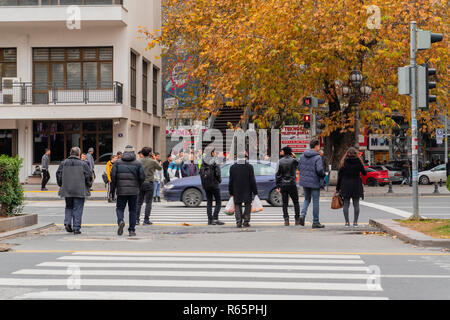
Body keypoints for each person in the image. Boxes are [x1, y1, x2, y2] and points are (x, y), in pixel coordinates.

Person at [56, 147, 93, 235]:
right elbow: (89, 176)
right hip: (80, 189)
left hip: (67, 189)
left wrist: (61, 184)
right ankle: (76, 228)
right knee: (78, 208)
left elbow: (58, 175)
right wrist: (89, 185)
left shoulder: (63, 163)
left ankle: (68, 223)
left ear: (70, 153)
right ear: (79, 154)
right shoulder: (83, 164)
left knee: (69, 206)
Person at [110, 145, 145, 237]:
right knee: (133, 210)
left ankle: (120, 221)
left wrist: (115, 188)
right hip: (134, 190)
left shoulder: (117, 162)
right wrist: (138, 186)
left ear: (124, 152)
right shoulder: (138, 163)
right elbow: (142, 177)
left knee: (120, 208)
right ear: (133, 152)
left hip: (121, 190)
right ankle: (132, 230)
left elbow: (113, 177)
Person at [298, 139, 326, 228]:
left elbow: (299, 167)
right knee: (315, 201)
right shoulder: (317, 157)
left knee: (306, 199)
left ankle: (302, 214)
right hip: (314, 182)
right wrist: (323, 174)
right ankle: (316, 222)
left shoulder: (302, 156)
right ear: (316, 146)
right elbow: (319, 170)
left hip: (305, 182)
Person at [336, 147, 367, 227]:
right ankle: (355, 222)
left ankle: (347, 222)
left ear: (347, 153)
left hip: (345, 185)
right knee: (356, 204)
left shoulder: (343, 162)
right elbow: (364, 173)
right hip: (356, 184)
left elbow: (339, 177)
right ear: (356, 154)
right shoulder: (359, 162)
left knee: (346, 204)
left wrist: (337, 189)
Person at [229, 154, 258, 228]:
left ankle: (238, 222)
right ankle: (246, 222)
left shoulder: (233, 167)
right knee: (248, 205)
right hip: (247, 189)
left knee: (237, 205)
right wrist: (255, 192)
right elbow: (252, 180)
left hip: (236, 190)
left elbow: (231, 181)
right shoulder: (249, 167)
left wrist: (230, 192)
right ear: (245, 158)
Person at [137, 147, 162, 225]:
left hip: (140, 183)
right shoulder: (152, 161)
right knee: (148, 202)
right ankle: (146, 220)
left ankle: (136, 220)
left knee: (139, 203)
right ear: (149, 153)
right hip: (149, 182)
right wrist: (154, 158)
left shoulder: (138, 161)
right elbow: (160, 168)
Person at [276, 147, 300, 226]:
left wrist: (278, 185)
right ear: (290, 153)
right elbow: (299, 164)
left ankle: (286, 219)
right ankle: (297, 219)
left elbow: (278, 175)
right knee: (296, 202)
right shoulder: (293, 160)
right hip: (292, 184)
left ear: (284, 152)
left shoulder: (280, 161)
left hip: (283, 184)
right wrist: (294, 156)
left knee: (285, 203)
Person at [200, 149, 225, 226]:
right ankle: (215, 218)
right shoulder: (215, 161)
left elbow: (200, 173)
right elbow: (218, 173)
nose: (215, 153)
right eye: (214, 152)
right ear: (212, 153)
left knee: (209, 202)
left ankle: (210, 220)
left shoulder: (203, 162)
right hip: (214, 185)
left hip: (206, 185)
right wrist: (219, 180)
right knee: (218, 202)